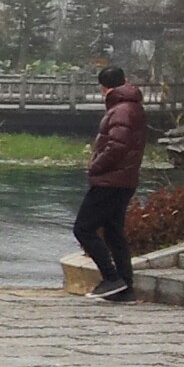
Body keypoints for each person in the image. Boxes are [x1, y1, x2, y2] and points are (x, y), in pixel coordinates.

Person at [75, 63, 145, 303]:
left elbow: (117, 146)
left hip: (110, 180)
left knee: (83, 228)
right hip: (125, 179)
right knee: (114, 233)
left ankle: (111, 278)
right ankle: (125, 288)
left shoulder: (121, 110)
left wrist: (95, 166)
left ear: (104, 87)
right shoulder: (132, 106)